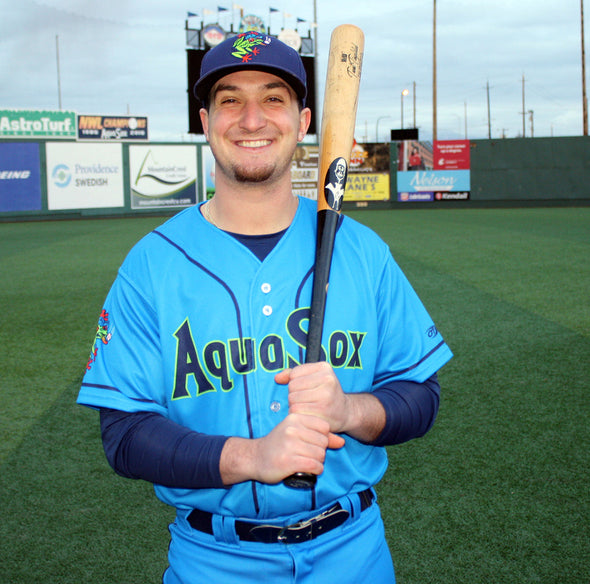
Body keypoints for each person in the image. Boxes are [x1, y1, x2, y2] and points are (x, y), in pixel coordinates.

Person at [78, 31, 452, 584]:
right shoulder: (151, 265)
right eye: (230, 99)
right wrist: (251, 457)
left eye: (273, 98)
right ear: (206, 122)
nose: (252, 119)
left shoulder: (363, 251)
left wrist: (348, 413)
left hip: (355, 551)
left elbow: (421, 396)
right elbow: (125, 435)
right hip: (214, 559)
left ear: (303, 123)